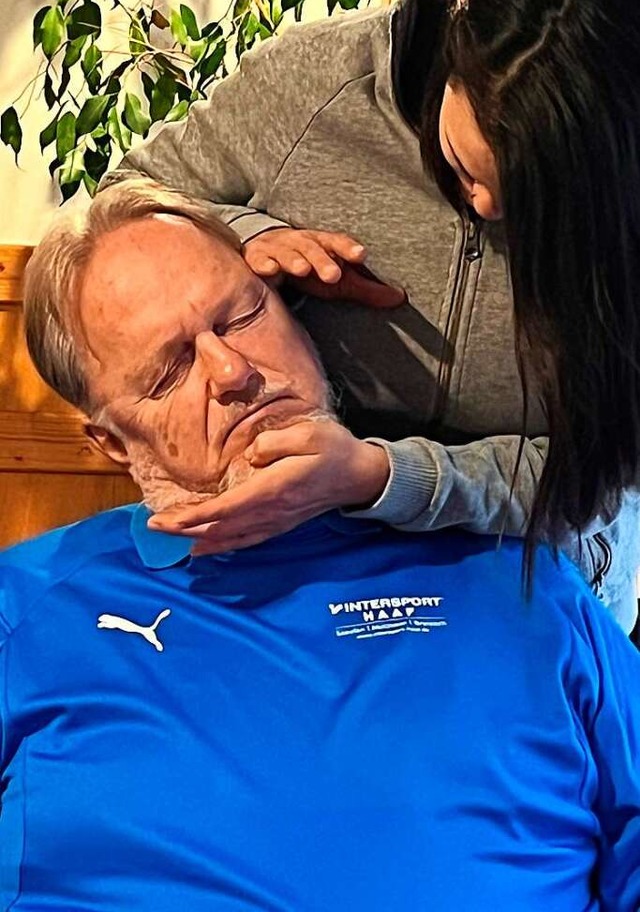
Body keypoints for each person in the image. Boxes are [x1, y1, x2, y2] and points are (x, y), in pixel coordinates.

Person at [3, 177, 640, 911]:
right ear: (113, 442)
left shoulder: (520, 583)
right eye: (170, 370)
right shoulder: (25, 614)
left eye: (242, 316)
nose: (232, 372)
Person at [101, 0, 640, 634]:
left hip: (542, 568)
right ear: (456, 64)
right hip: (301, 549)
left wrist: (381, 475)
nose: (485, 210)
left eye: (533, 202)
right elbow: (124, 204)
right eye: (464, 169)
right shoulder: (314, 80)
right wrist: (241, 237)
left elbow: (593, 481)